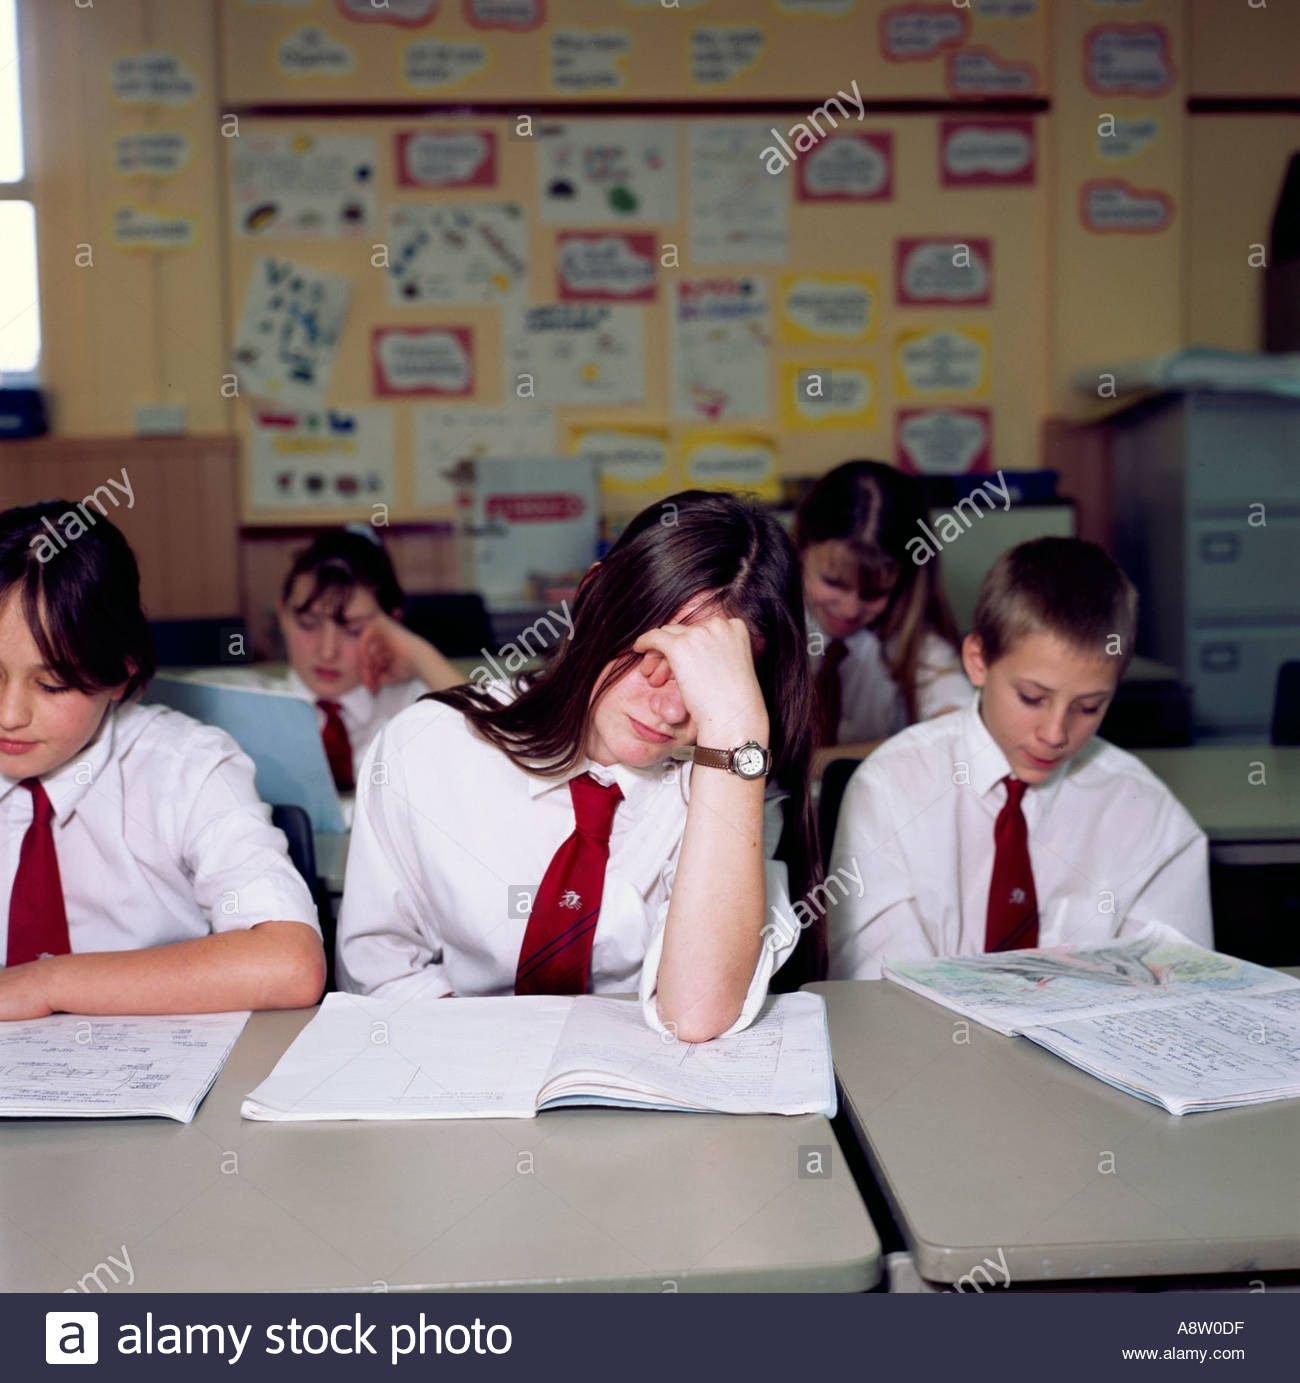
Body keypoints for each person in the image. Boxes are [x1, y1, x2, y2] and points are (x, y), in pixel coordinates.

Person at [337, 490, 821, 1042]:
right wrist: (487, 1058)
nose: (670, 708)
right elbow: (379, 972)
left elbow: (698, 1014)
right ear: (593, 597)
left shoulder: (734, 778)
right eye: (652, 653)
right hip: (453, 1073)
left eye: (706, 679)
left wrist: (735, 733)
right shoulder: (428, 746)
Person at [827, 537, 1213, 979]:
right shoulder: (890, 788)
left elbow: (1179, 993)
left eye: (1088, 707)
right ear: (977, 661)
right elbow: (878, 991)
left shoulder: (1152, 818)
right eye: (1031, 698)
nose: (1055, 734)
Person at [0, 500, 325, 1020]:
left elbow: (288, 962)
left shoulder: (185, 768)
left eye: (52, 684)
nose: (10, 714)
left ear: (120, 675)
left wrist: (44, 984)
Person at [255, 527, 462, 791]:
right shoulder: (241, 710)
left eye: (354, 630)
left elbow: (498, 748)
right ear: (283, 614)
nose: (327, 652)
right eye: (307, 624)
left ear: (392, 627)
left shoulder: (417, 706)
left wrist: (417, 653)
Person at [795, 461, 967, 772]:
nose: (849, 609)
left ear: (905, 580)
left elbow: (959, 734)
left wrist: (812, 764)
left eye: (874, 593)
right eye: (833, 582)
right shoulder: (760, 627)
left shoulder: (921, 648)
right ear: (801, 548)